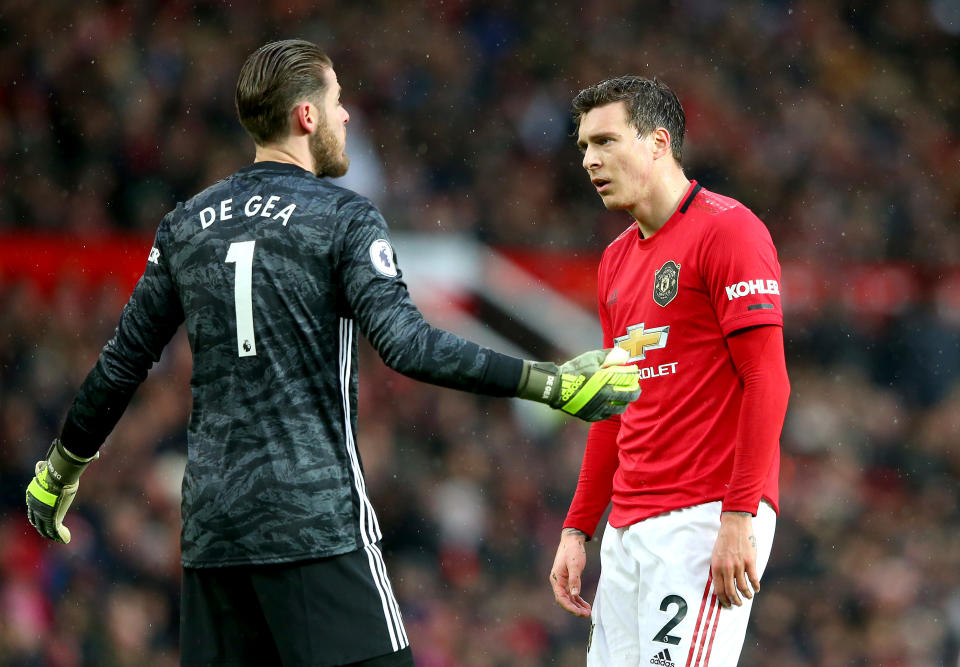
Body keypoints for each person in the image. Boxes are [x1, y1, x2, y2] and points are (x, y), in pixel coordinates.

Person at [24, 40, 642, 667]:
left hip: (214, 536)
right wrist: (548, 382)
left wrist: (59, 471)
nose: (347, 116)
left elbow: (121, 364)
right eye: (339, 100)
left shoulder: (188, 223)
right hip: (313, 524)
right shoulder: (341, 218)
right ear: (307, 117)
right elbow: (409, 345)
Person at [548, 76, 790, 666]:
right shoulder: (614, 261)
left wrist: (739, 516)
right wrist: (579, 527)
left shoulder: (728, 230)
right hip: (628, 529)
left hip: (705, 516)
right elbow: (615, 401)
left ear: (658, 143)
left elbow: (768, 379)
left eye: (605, 141)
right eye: (583, 146)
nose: (590, 160)